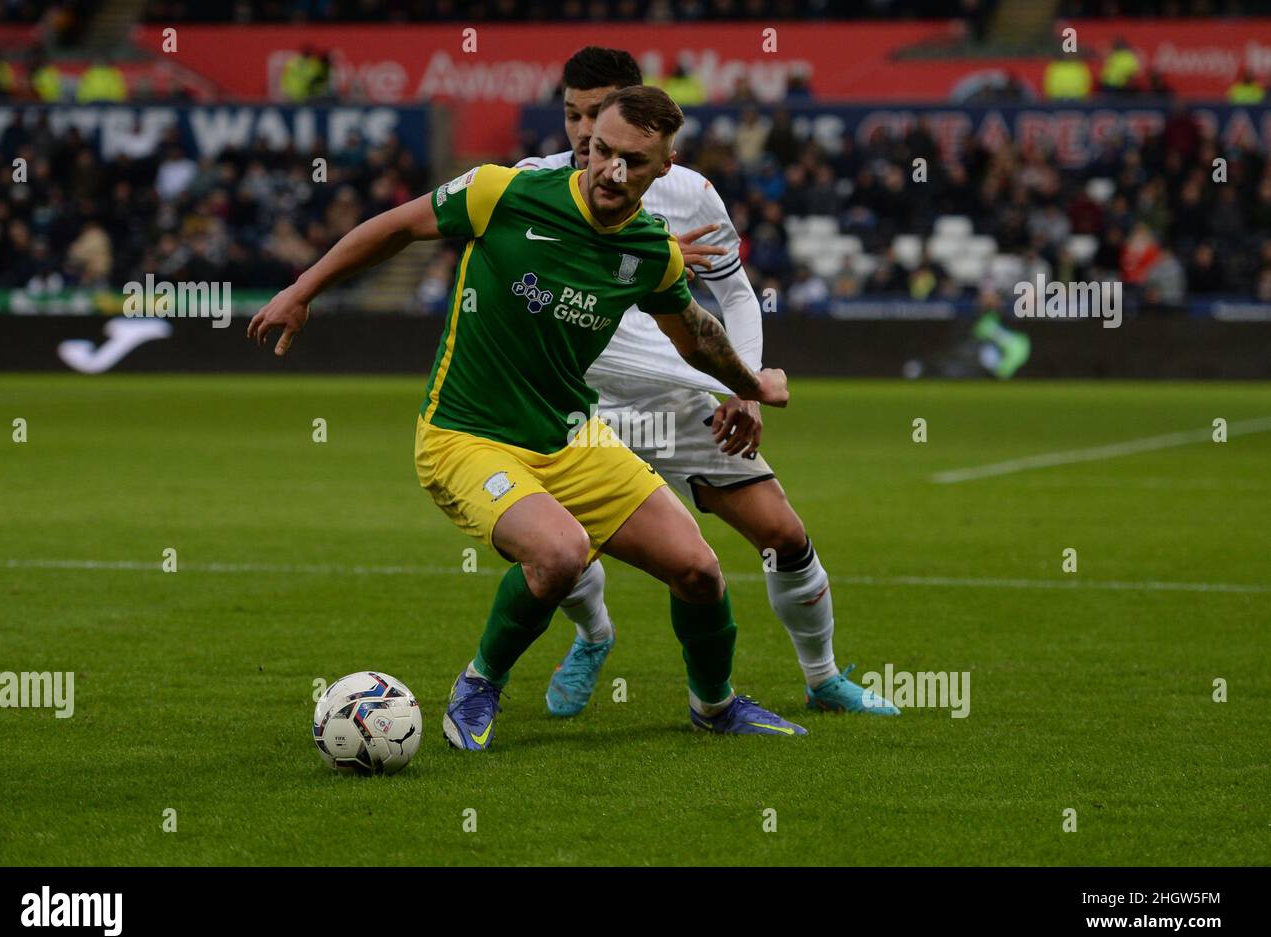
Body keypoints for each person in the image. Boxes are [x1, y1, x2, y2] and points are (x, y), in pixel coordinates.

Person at [248, 85, 807, 749]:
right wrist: (301, 290)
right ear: (587, 143)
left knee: (699, 570)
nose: (611, 170)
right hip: (465, 436)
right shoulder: (503, 193)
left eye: (633, 160)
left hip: (569, 438)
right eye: (602, 151)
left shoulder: (653, 253)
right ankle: (480, 682)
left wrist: (750, 386)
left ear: (665, 167)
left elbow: (699, 336)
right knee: (560, 552)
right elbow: (397, 227)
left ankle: (714, 707)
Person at [516, 47, 899, 717]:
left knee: (783, 536)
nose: (581, 133)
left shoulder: (688, 193)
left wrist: (743, 390)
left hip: (674, 398)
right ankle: (593, 635)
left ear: (633, 112)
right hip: (578, 404)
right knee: (561, 551)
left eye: (596, 113)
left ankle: (823, 679)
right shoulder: (531, 184)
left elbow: (739, 298)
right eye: (572, 115)